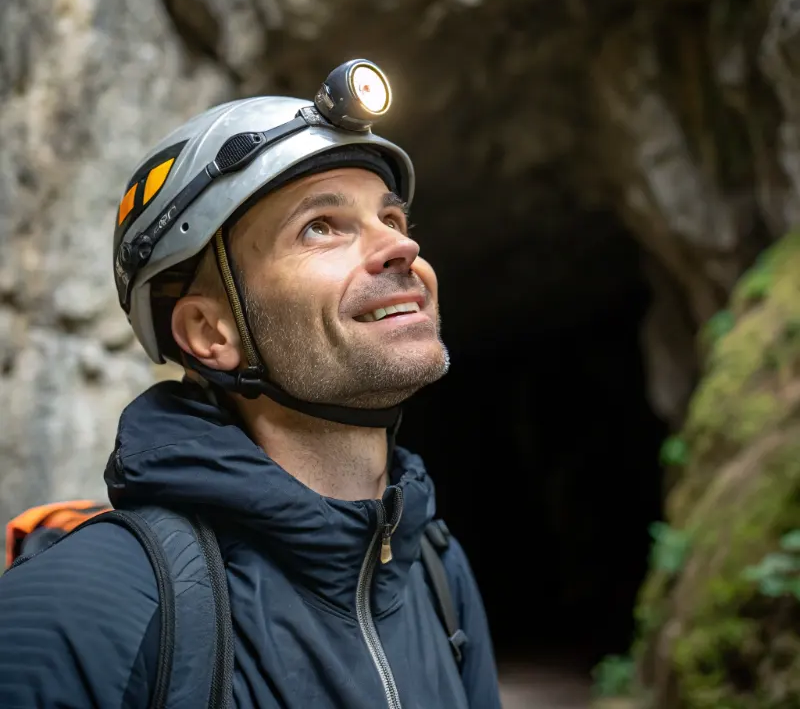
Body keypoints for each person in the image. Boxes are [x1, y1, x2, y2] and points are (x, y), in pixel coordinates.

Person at [0, 60, 501, 708]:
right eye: (321, 227)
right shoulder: (79, 609)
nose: (399, 249)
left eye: (393, 220)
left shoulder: (434, 569)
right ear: (210, 331)